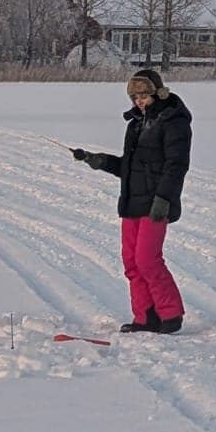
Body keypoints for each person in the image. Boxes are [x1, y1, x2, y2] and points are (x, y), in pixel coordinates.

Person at [71, 67, 191, 334]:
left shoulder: (174, 121)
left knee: (148, 259)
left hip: (156, 203)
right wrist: (99, 160)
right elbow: (130, 166)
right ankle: (145, 317)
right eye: (135, 97)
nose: (139, 101)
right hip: (132, 203)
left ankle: (169, 315)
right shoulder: (136, 124)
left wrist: (164, 198)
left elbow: (177, 164)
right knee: (132, 263)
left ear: (158, 93)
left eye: (144, 96)